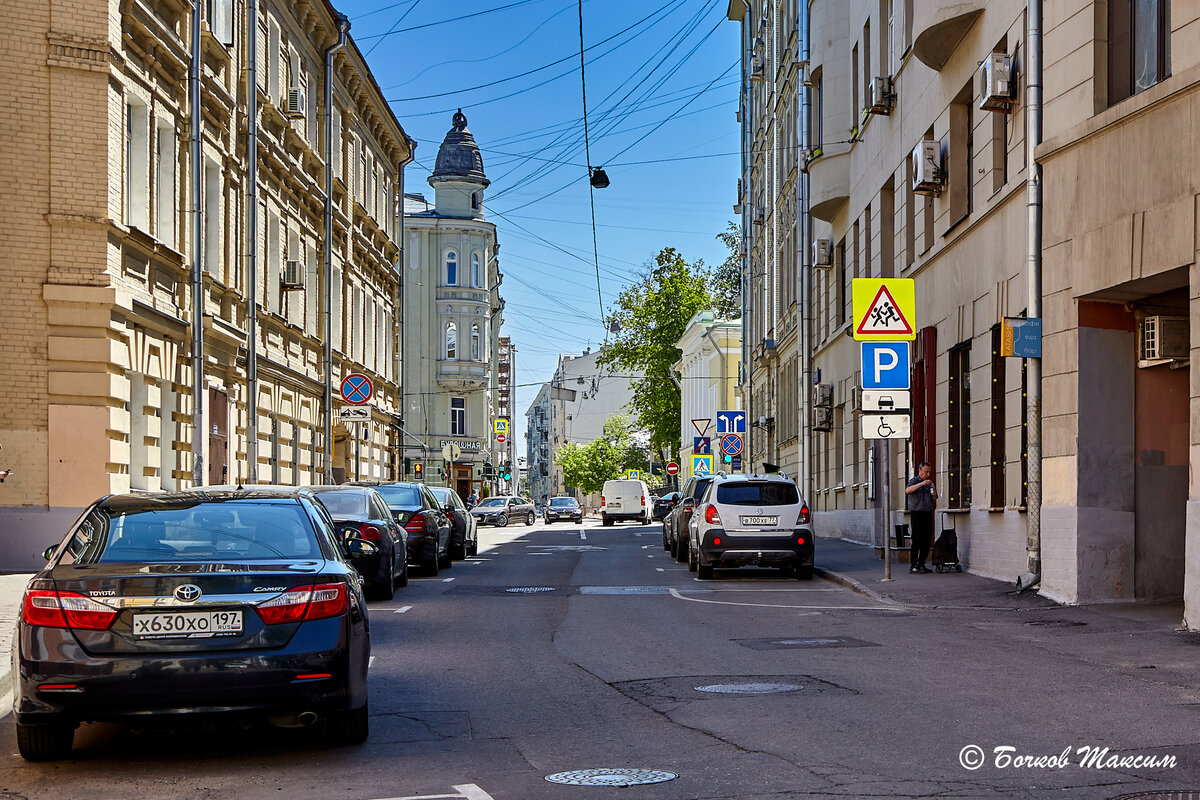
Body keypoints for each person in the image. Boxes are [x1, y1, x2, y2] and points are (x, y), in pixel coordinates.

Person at [904, 461, 937, 573]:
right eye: (926, 472)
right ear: (920, 470)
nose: (928, 474)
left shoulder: (930, 484)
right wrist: (922, 484)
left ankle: (921, 563)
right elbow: (908, 490)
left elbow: (934, 498)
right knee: (917, 539)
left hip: (927, 512)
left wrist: (934, 493)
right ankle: (913, 566)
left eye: (929, 472)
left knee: (927, 539)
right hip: (917, 513)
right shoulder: (914, 481)